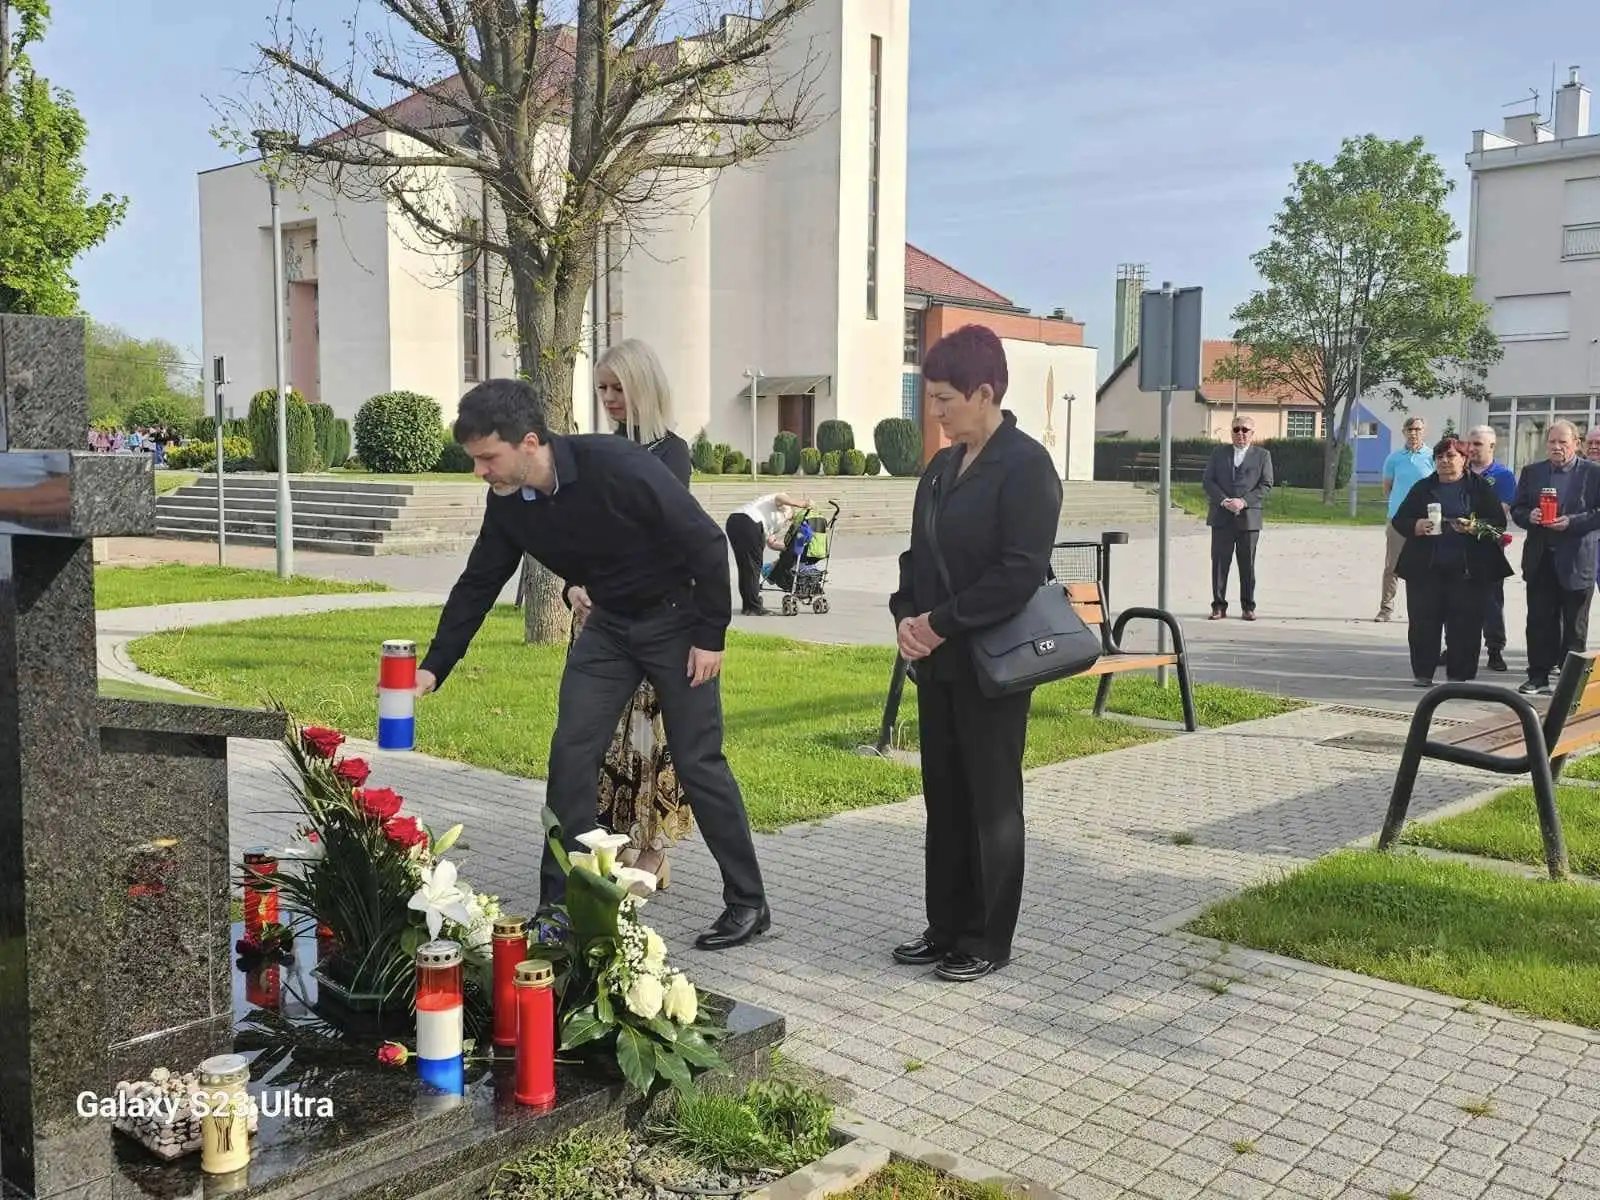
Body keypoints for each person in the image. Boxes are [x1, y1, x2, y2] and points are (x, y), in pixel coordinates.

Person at [412, 377, 769, 950]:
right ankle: (558, 904)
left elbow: (705, 541)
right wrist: (435, 665)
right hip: (609, 629)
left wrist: (711, 634)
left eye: (487, 458)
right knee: (571, 756)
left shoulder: (618, 466)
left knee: (700, 761)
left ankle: (749, 903)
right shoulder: (509, 502)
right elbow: (480, 581)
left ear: (529, 442)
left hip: (678, 622)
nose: (480, 471)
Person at [888, 325, 1062, 984]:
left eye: (943, 399)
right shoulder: (939, 468)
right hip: (937, 663)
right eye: (930, 399)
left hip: (992, 666)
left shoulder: (1025, 467)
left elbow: (1019, 573)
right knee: (946, 800)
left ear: (985, 392)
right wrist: (907, 616)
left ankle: (987, 939)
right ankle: (945, 928)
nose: (933, 412)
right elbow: (917, 558)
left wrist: (941, 622)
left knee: (991, 802)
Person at [573, 338, 693, 889]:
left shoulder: (671, 453)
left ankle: (653, 849)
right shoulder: (597, 451)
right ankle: (614, 837)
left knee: (650, 737)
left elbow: (659, 537)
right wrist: (573, 584)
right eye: (602, 388)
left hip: (650, 617)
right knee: (605, 739)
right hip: (597, 619)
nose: (609, 398)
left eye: (618, 387)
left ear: (643, 385)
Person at [1391, 436, 1513, 686]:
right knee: (1424, 623)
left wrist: (1474, 526)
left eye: (1451, 456)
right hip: (1426, 569)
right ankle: (1423, 673)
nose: (1445, 461)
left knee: (1465, 625)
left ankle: (1459, 675)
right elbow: (1400, 519)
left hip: (1468, 571)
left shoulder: (1479, 487)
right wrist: (1416, 525)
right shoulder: (1423, 487)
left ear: (1464, 459)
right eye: (1440, 457)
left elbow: (1498, 524)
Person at [1510, 420, 1600, 696]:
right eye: (1552, 442)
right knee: (1539, 620)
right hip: (1540, 560)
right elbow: (1518, 508)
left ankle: (1570, 682)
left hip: (1576, 560)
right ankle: (1537, 676)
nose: (1557, 447)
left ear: (1576, 444)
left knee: (1575, 625)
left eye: (1563, 442)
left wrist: (1571, 522)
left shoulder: (1594, 473)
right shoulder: (1532, 471)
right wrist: (1530, 517)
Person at [1200, 415, 1274, 620]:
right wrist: (1224, 501)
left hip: (1249, 519)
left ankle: (1248, 606)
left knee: (1247, 564)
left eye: (1245, 430)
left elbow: (1266, 484)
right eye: (1236, 430)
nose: (1240, 433)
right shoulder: (1219, 453)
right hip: (1221, 517)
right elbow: (1208, 481)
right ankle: (1218, 606)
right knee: (1219, 563)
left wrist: (1243, 501)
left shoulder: (1262, 455)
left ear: (1252, 433)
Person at [1465, 426, 1517, 672]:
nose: (1472, 448)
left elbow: (1502, 510)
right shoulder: (1459, 470)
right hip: (1459, 547)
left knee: (1491, 601)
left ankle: (1495, 649)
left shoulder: (1503, 475)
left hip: (1488, 548)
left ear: (1492, 447)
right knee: (1456, 599)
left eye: (1478, 444)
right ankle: (1454, 644)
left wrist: (1471, 524)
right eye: (1470, 443)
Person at [1378, 417, 1432, 622]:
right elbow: (1387, 488)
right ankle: (1385, 608)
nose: (1413, 433)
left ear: (1423, 431)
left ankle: (1423, 610)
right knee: (1392, 565)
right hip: (1398, 520)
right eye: (1410, 429)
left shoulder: (1432, 457)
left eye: (1417, 429)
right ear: (1403, 432)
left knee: (1425, 566)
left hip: (1424, 519)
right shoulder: (1394, 458)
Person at [725, 491, 809, 615]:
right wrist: (801, 503)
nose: (789, 520)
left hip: (734, 521)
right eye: (791, 516)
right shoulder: (781, 502)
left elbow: (771, 543)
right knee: (753, 567)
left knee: (746, 567)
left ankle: (749, 605)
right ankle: (753, 607)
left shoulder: (773, 520)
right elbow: (780, 497)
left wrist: (790, 549)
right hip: (750, 522)